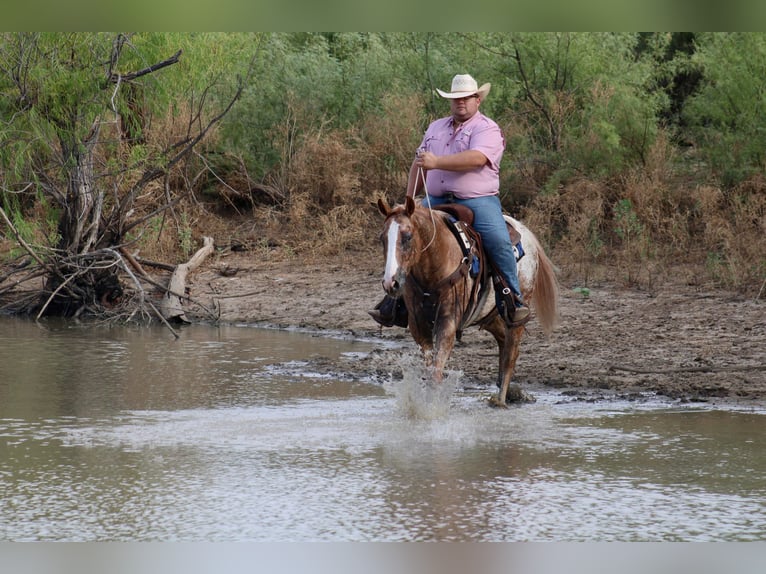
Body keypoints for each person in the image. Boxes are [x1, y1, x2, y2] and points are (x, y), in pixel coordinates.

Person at [369, 73, 530, 328]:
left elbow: (477, 158)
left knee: (498, 240)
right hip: (435, 198)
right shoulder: (435, 128)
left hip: (477, 200)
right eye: (455, 98)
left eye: (466, 98)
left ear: (477, 100)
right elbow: (419, 164)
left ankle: (512, 299)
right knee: (405, 236)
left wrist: (437, 162)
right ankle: (396, 301)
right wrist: (408, 202)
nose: (460, 102)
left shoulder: (487, 128)